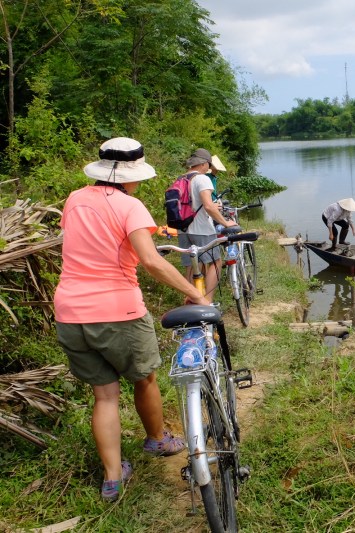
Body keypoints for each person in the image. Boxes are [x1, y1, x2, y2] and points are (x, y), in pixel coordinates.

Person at [54, 137, 210, 502]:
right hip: (117, 311)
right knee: (145, 377)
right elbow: (151, 261)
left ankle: (112, 477)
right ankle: (157, 440)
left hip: (70, 312)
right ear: (130, 175)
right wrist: (196, 293)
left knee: (104, 396)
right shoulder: (131, 206)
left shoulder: (75, 199)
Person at [178, 148, 237, 301]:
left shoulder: (180, 179)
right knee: (216, 262)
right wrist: (225, 222)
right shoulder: (202, 179)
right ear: (204, 164)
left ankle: (189, 299)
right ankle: (207, 300)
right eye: (208, 164)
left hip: (183, 229)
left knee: (191, 265)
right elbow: (208, 206)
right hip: (202, 229)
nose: (209, 167)